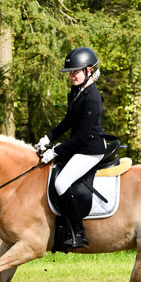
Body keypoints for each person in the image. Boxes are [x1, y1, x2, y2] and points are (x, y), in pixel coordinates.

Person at [35, 46, 108, 249]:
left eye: (76, 72)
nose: (72, 76)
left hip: (90, 149)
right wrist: (48, 138)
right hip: (79, 146)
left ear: (89, 71)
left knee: (61, 183)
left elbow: (83, 136)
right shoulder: (77, 92)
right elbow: (68, 121)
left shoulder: (93, 98)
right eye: (71, 72)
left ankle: (78, 233)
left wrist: (56, 150)